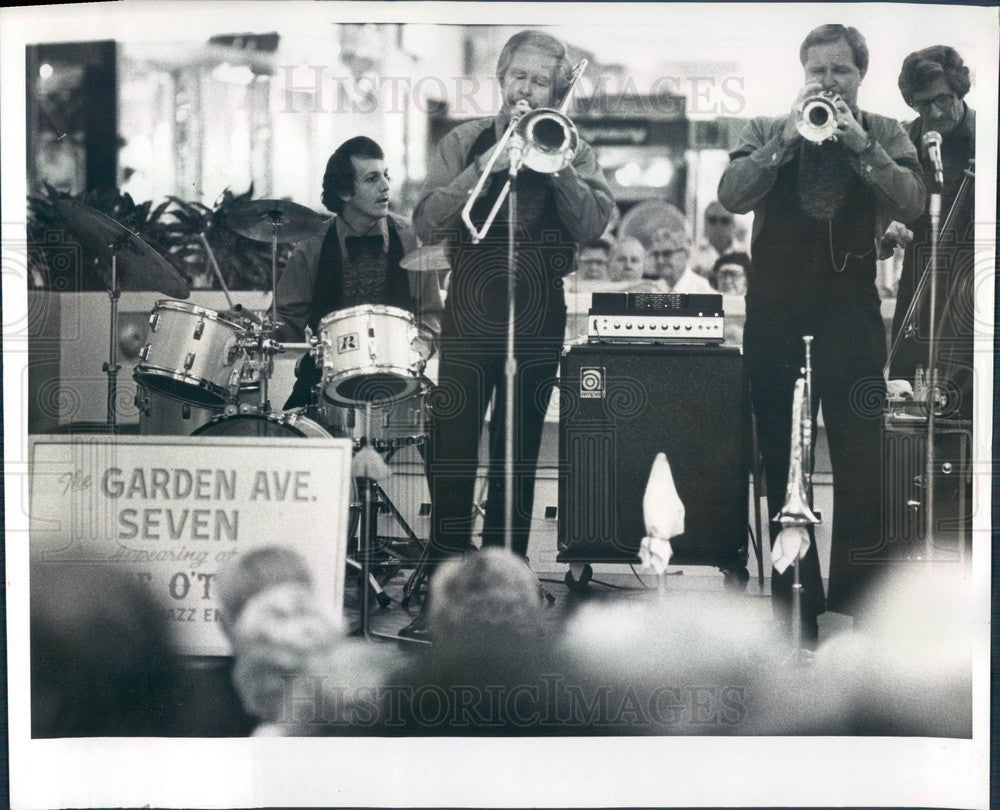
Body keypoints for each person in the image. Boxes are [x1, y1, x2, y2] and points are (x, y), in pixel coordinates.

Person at [717, 24, 925, 636]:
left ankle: (855, 608)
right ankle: (792, 611)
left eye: (840, 71)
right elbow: (732, 194)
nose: (828, 82)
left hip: (852, 311)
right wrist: (782, 143)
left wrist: (863, 147)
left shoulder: (886, 130)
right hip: (775, 311)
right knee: (782, 459)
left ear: (861, 75)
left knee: (862, 458)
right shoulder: (762, 128)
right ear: (802, 73)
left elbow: (912, 202)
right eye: (817, 71)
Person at [409, 30, 613, 635]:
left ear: (556, 90)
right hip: (471, 304)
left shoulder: (571, 144)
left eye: (540, 82)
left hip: (538, 304)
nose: (527, 90)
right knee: (453, 450)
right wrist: (487, 163)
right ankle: (444, 592)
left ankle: (508, 591)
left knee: (518, 454)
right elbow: (425, 222)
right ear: (501, 77)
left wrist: (556, 169)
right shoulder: (463, 140)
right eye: (518, 77)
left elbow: (595, 223)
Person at [273, 136, 444, 410]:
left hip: (398, 374)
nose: (386, 186)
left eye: (386, 175)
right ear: (344, 192)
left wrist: (420, 349)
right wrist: (294, 350)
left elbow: (431, 313)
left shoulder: (411, 239)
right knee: (291, 440)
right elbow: (285, 320)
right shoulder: (311, 245)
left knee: (448, 433)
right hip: (325, 377)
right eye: (372, 179)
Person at [885, 46, 975, 421]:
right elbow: (880, 209)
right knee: (909, 398)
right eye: (924, 105)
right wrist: (887, 223)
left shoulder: (988, 137)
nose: (936, 113)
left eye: (944, 100)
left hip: (976, 282)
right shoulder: (902, 141)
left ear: (960, 91)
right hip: (919, 281)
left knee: (969, 397)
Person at [633, 219, 716, 294]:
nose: (659, 260)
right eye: (656, 254)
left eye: (667, 254)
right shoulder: (652, 290)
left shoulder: (704, 291)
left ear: (685, 254)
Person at [690, 200, 750, 280]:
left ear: (733, 224)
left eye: (725, 220)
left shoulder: (747, 253)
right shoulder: (692, 253)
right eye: (712, 220)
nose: (719, 226)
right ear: (705, 224)